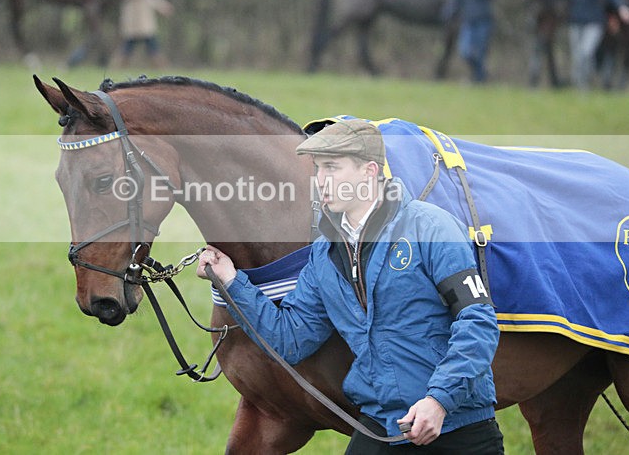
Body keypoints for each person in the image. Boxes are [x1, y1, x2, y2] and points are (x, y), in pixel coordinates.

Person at [197, 119, 503, 454]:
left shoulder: (431, 227)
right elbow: (291, 339)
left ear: (369, 171)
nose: (321, 181)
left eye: (332, 168)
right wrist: (232, 281)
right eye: (317, 169)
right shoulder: (323, 254)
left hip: (458, 423)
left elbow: (478, 323)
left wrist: (438, 401)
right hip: (383, 425)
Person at [522, 0, 629, 90]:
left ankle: (586, 80)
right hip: (576, 23)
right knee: (577, 55)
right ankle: (581, 86)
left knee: (585, 52)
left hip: (593, 23)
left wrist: (622, 7)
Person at [442, 0, 495, 83]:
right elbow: (454, 4)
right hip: (468, 22)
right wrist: (444, 17)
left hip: (483, 22)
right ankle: (480, 76)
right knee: (465, 51)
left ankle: (479, 79)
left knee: (480, 53)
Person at [116, 0, 174, 68]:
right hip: (134, 19)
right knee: (132, 44)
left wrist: (163, 6)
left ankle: (163, 67)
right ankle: (117, 67)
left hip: (142, 19)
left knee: (148, 44)